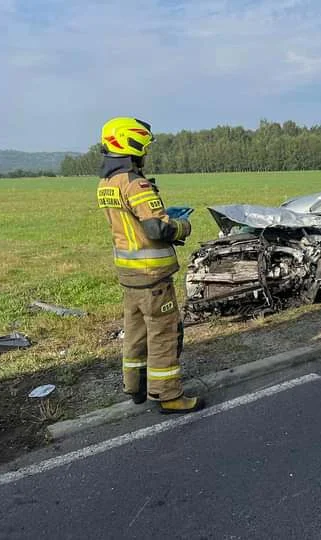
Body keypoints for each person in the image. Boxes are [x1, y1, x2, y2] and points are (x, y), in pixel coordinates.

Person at [96, 117, 204, 414]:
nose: (145, 153)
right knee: (163, 332)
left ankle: (136, 387)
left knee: (135, 332)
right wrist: (182, 226)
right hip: (152, 275)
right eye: (143, 146)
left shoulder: (106, 183)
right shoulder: (135, 183)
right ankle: (169, 395)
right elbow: (157, 230)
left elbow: (132, 224)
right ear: (132, 144)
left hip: (129, 274)